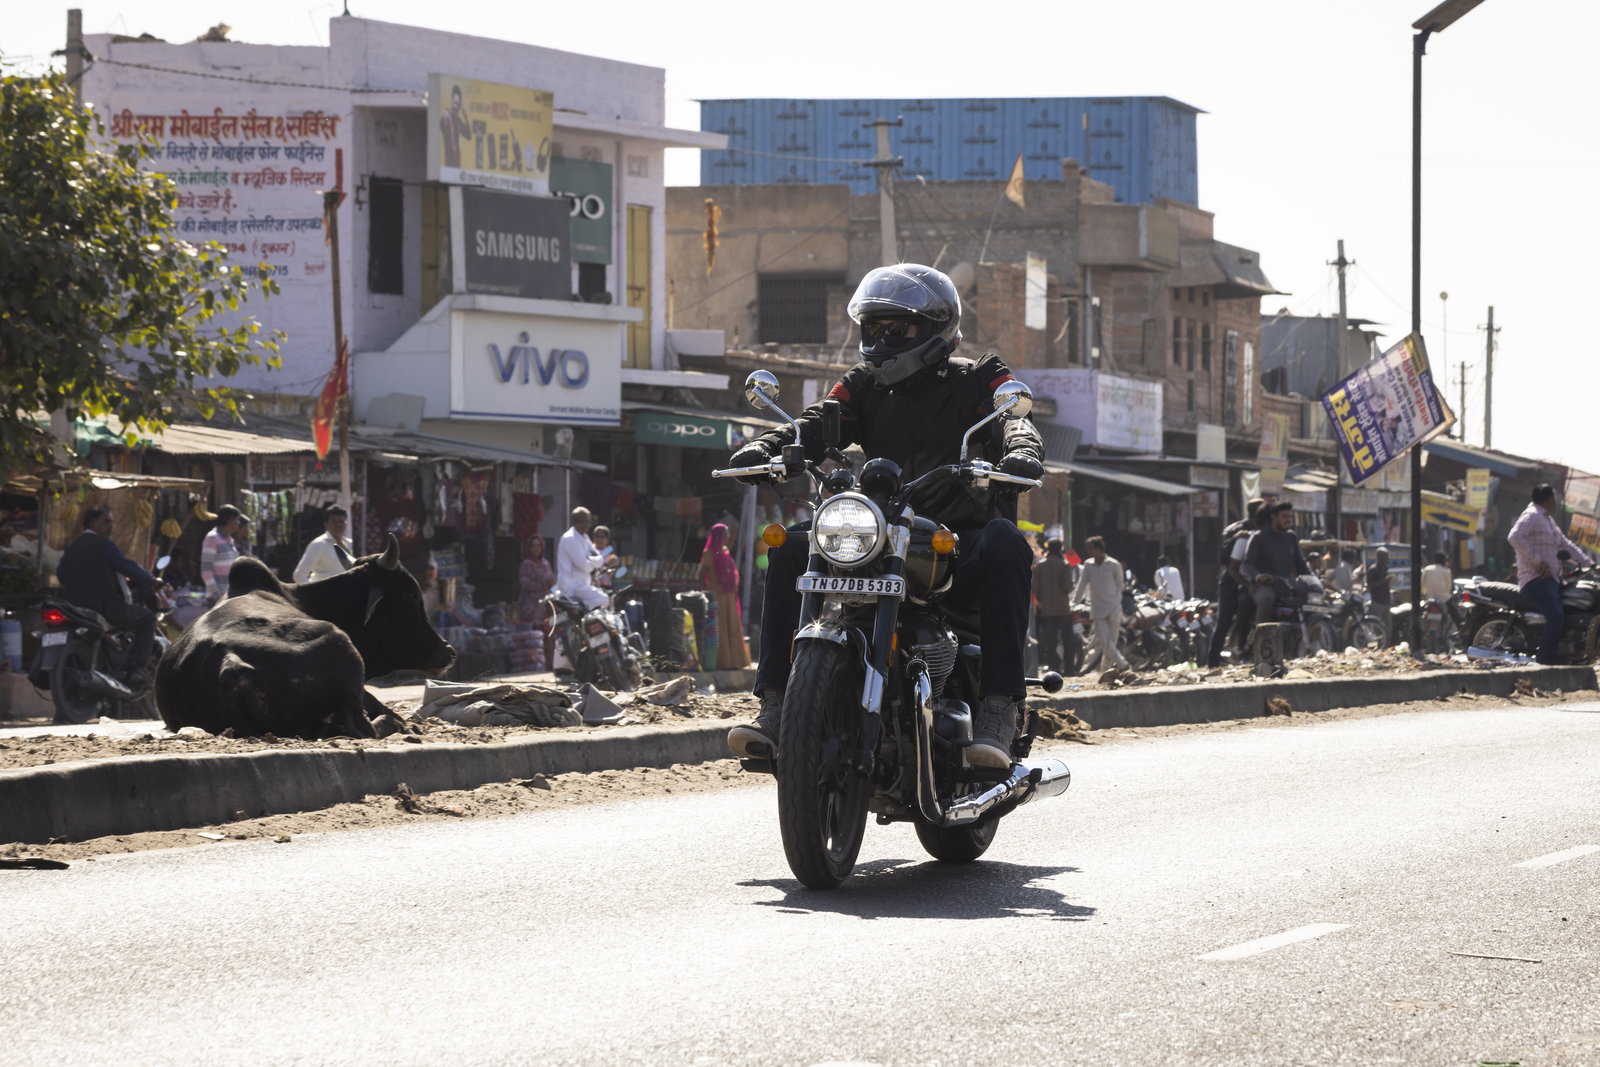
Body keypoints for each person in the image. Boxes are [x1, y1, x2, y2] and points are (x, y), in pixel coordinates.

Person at [724, 262, 1044, 769]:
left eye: (897, 328)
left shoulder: (982, 376)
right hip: (880, 533)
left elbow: (1015, 422)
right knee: (790, 544)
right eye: (874, 327)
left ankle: (1001, 707)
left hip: (959, 544)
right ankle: (777, 704)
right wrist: (771, 445)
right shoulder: (864, 383)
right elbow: (818, 423)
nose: (882, 338)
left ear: (938, 328)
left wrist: (1021, 452)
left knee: (1007, 540)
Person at [55, 506, 159, 685]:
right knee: (148, 618)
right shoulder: (103, 545)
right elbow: (127, 566)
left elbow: (61, 574)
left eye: (111, 522)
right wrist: (151, 580)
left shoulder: (74, 545)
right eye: (106, 522)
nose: (111, 526)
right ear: (92, 523)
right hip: (103, 607)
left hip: (74, 605)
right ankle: (138, 669)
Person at [1507, 483, 1593, 664]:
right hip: (1536, 580)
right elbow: (1514, 536)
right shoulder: (1532, 515)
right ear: (1548, 501)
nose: (1556, 503)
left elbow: (1566, 545)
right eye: (1554, 500)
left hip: (1551, 580)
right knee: (1556, 618)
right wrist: (1537, 563)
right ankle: (1544, 664)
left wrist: (1590, 565)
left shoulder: (1548, 521)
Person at [1241, 501, 1312, 647]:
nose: (1288, 520)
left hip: (1286, 582)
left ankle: (1299, 633)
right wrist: (1258, 576)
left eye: (1290, 517)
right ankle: (1260, 641)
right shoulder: (1259, 537)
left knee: (1308, 593)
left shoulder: (1291, 537)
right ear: (1273, 517)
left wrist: (1313, 579)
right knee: (1266, 598)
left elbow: (1300, 563)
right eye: (1284, 516)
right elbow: (1247, 565)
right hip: (1266, 585)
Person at [1206, 498, 1266, 668]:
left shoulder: (1262, 530)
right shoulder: (1240, 531)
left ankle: (1244, 651)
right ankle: (1214, 660)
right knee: (1225, 621)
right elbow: (1226, 559)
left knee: (1245, 614)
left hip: (1252, 579)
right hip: (1233, 580)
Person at [699, 523, 751, 670]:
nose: (728, 536)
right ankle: (721, 662)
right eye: (726, 534)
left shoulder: (725, 551)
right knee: (719, 629)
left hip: (728, 596)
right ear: (720, 536)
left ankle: (734, 662)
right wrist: (703, 593)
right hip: (716, 595)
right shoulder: (709, 553)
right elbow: (701, 574)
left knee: (732, 627)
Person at [1078, 535, 1130, 677]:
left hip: (1114, 608)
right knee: (1104, 641)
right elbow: (1081, 585)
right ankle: (1122, 664)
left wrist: (1116, 603)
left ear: (1098, 548)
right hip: (1098, 610)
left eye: (1091, 548)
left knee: (1110, 643)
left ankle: (1105, 673)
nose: (1089, 551)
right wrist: (1074, 603)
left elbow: (1120, 586)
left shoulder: (1114, 565)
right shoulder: (1088, 565)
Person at [1032, 537, 1078, 675]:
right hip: (1063, 609)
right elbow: (1068, 587)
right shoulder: (1065, 564)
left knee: (1050, 642)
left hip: (1047, 610)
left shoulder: (1040, 566)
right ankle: (1069, 669)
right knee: (1067, 641)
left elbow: (1035, 588)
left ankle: (1054, 669)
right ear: (1060, 548)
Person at [554, 507, 614, 611]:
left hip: (581, 585)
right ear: (574, 521)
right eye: (582, 521)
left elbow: (598, 558)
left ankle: (580, 611)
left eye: (588, 522)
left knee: (604, 600)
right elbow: (585, 567)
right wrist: (594, 561)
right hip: (571, 587)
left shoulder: (584, 538)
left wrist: (590, 559)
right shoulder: (570, 538)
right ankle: (577, 609)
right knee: (603, 599)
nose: (586, 525)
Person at [292, 506, 353, 584]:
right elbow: (299, 575)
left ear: (346, 524)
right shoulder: (319, 544)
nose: (338, 525)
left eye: (341, 521)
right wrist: (313, 593)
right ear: (326, 525)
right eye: (334, 522)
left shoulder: (350, 544)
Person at [200, 505, 248, 604]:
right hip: (218, 599)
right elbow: (206, 570)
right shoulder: (212, 538)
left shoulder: (229, 540)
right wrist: (217, 595)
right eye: (237, 520)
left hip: (230, 597)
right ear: (230, 520)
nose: (239, 523)